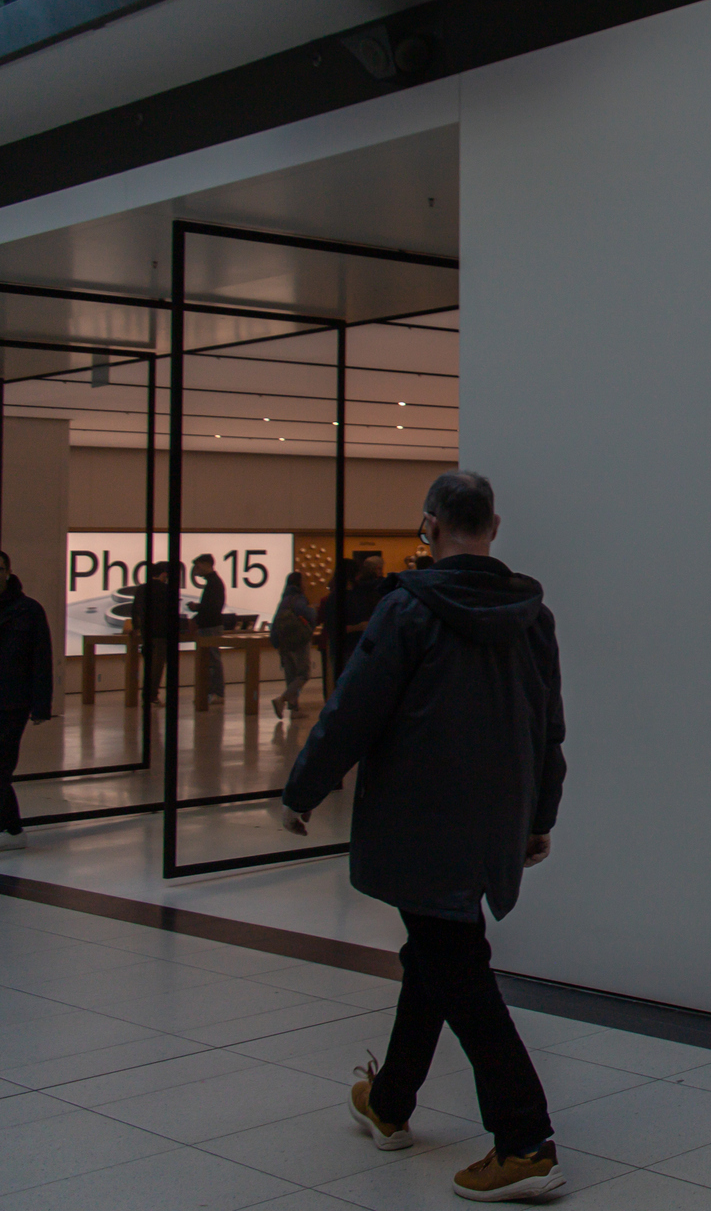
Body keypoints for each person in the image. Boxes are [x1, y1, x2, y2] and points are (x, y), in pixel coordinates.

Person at [277, 472, 567, 1202]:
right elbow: (548, 729)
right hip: (493, 819)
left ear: (429, 525)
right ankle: (390, 1102)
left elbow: (354, 709)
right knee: (435, 953)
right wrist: (539, 817)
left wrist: (303, 790)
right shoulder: (531, 615)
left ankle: (525, 1140)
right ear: (494, 526)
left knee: (457, 967)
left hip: (418, 822)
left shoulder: (406, 608)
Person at [0, 550, 57, 853]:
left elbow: (41, 661)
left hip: (11, 701)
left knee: (1, 765)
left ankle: (10, 829)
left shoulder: (28, 610)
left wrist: (41, 707)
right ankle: (11, 828)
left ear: (8, 571)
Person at [268, 571, 316, 720]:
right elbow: (309, 614)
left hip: (284, 642)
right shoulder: (299, 598)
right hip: (298, 640)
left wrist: (276, 642)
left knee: (291, 674)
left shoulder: (285, 599)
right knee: (303, 674)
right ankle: (282, 700)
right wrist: (313, 611)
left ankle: (294, 709)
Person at [136, 561, 178, 704]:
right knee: (157, 666)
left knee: (148, 665)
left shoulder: (142, 589)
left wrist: (137, 628)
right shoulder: (166, 590)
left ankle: (146, 694)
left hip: (145, 633)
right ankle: (152, 695)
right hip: (161, 634)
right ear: (164, 574)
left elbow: (135, 610)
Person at [189, 553, 227, 704]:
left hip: (210, 626)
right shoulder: (213, 583)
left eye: (198, 566)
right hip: (209, 625)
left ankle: (217, 692)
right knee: (209, 661)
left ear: (206, 564)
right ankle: (210, 691)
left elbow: (212, 607)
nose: (196, 570)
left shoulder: (214, 583)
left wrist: (197, 615)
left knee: (213, 661)